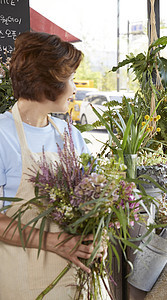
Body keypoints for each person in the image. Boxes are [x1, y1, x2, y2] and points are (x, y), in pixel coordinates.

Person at [0, 32, 100, 299]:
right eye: (70, 78)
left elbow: (96, 200)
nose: (75, 88)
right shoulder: (2, 136)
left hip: (78, 283)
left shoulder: (70, 136)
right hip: (25, 284)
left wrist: (100, 234)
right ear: (47, 82)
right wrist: (54, 242)